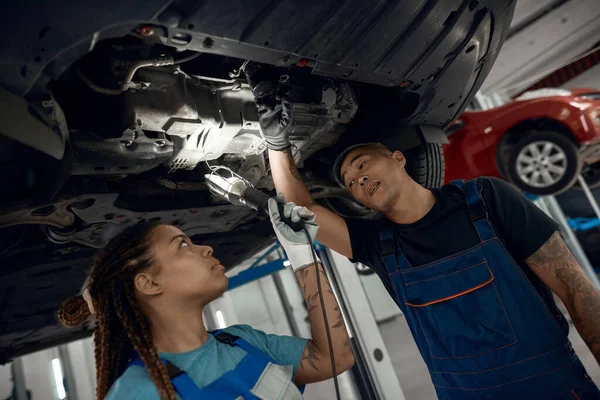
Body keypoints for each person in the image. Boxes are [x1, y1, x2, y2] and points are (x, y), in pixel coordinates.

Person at [254, 79, 600, 398]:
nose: (357, 180)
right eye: (349, 183)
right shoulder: (379, 247)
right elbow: (301, 207)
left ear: (398, 158)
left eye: (361, 165)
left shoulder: (486, 200)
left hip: (550, 387)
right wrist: (276, 140)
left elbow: (577, 292)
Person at [56, 197, 354, 400]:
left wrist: (302, 256)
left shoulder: (241, 341)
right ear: (149, 282)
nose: (207, 248)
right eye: (183, 244)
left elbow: (336, 358)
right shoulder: (138, 392)